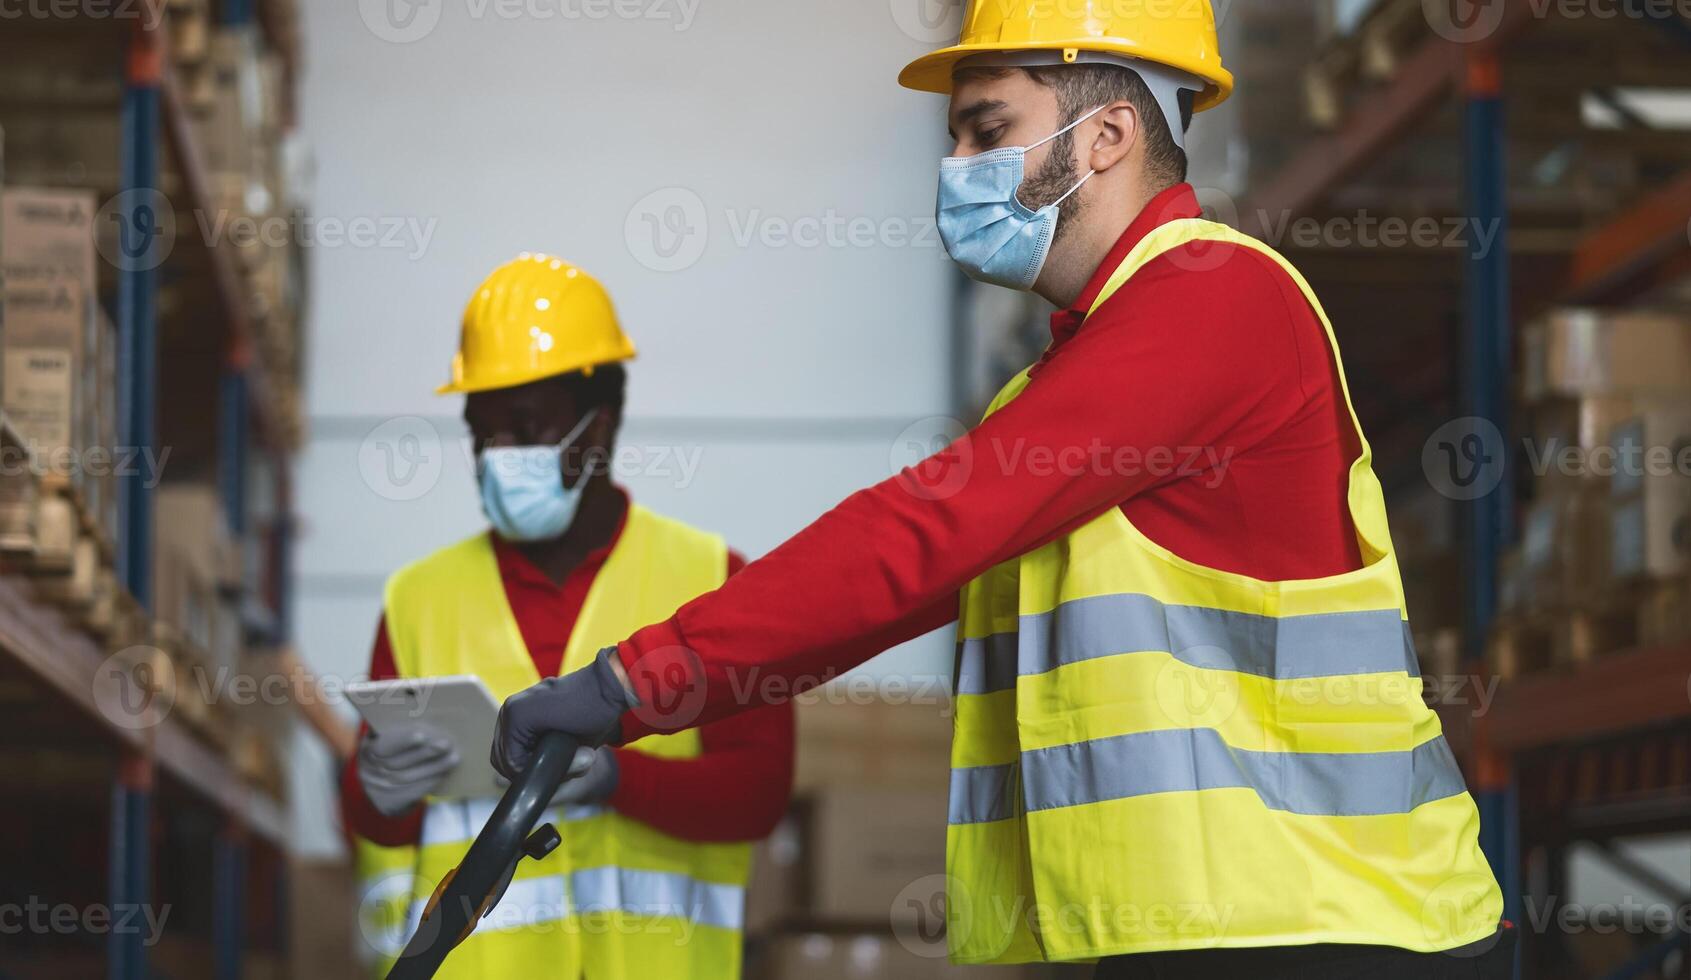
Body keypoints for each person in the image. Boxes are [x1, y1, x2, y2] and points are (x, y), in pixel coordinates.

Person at [490, 5, 1514, 978]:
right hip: (1219, 922)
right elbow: (889, 582)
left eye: (988, 131)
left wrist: (634, 679)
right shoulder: (1062, 381)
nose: (956, 171)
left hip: (1331, 925)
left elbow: (920, 531)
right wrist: (655, 685)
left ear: (1107, 132)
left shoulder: (1215, 298)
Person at [341, 254, 793, 979]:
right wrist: (372, 792)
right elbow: (373, 823)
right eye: (480, 433)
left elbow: (760, 793)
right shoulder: (415, 600)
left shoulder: (711, 580)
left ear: (598, 429)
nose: (495, 456)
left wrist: (621, 782)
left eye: (522, 428)